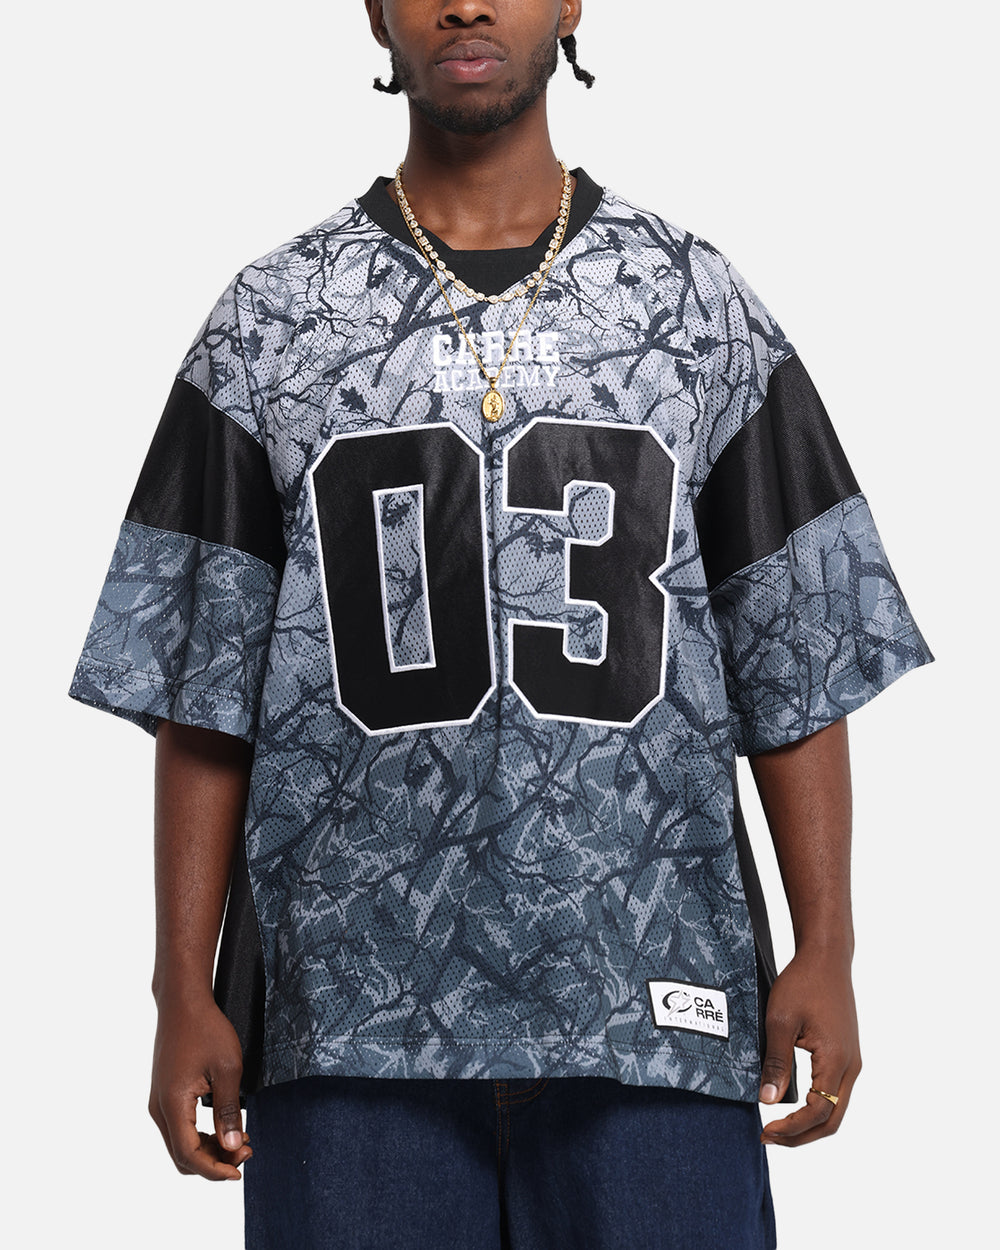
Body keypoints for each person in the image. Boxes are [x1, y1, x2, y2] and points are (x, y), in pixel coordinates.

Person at [68, 2, 933, 1246]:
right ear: (374, 10)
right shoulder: (271, 316)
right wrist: (179, 988)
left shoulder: (692, 301)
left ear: (570, 2)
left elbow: (796, 647)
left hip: (651, 1003)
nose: (467, 3)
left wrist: (829, 946)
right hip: (347, 1015)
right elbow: (201, 689)